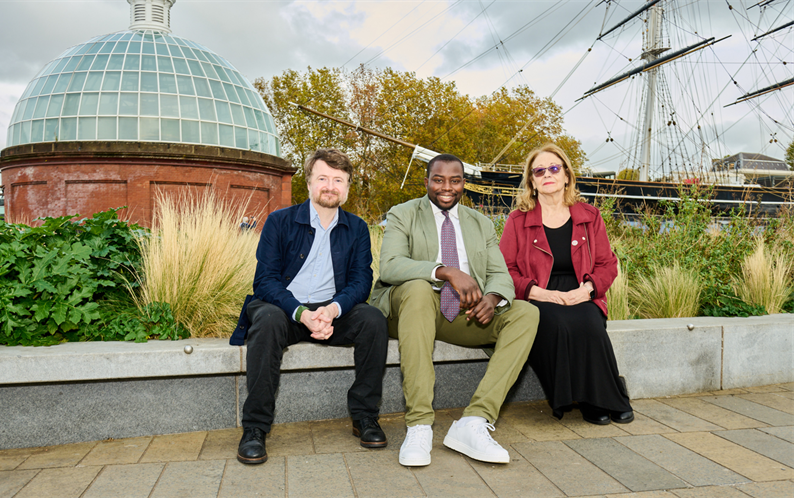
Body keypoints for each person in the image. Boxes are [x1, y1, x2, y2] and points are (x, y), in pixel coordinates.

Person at [371, 153, 539, 467]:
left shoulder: (481, 222)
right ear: (426, 182)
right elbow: (391, 267)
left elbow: (501, 274)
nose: (446, 187)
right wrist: (445, 271)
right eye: (438, 179)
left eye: (455, 180)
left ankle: (474, 422)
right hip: (411, 309)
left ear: (463, 183)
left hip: (463, 314)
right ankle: (419, 424)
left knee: (527, 313)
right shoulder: (403, 213)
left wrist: (492, 299)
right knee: (419, 289)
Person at [232, 148, 389, 465]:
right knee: (267, 323)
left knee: (373, 320)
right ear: (309, 183)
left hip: (332, 312)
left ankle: (365, 416)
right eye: (322, 178)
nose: (330, 186)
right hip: (285, 309)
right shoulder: (280, 222)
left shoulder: (357, 228)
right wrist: (302, 314)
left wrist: (331, 310)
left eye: (338, 180)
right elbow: (264, 281)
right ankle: (255, 428)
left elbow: (361, 282)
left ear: (346, 188)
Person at [498, 143, 634, 425]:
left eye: (554, 168)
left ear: (567, 176)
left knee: (588, 322)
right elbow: (504, 269)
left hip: (582, 289)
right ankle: (586, 400)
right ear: (532, 182)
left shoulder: (589, 216)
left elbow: (607, 264)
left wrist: (586, 291)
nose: (547, 174)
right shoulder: (518, 220)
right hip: (537, 293)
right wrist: (538, 293)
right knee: (557, 322)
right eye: (539, 171)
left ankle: (610, 397)